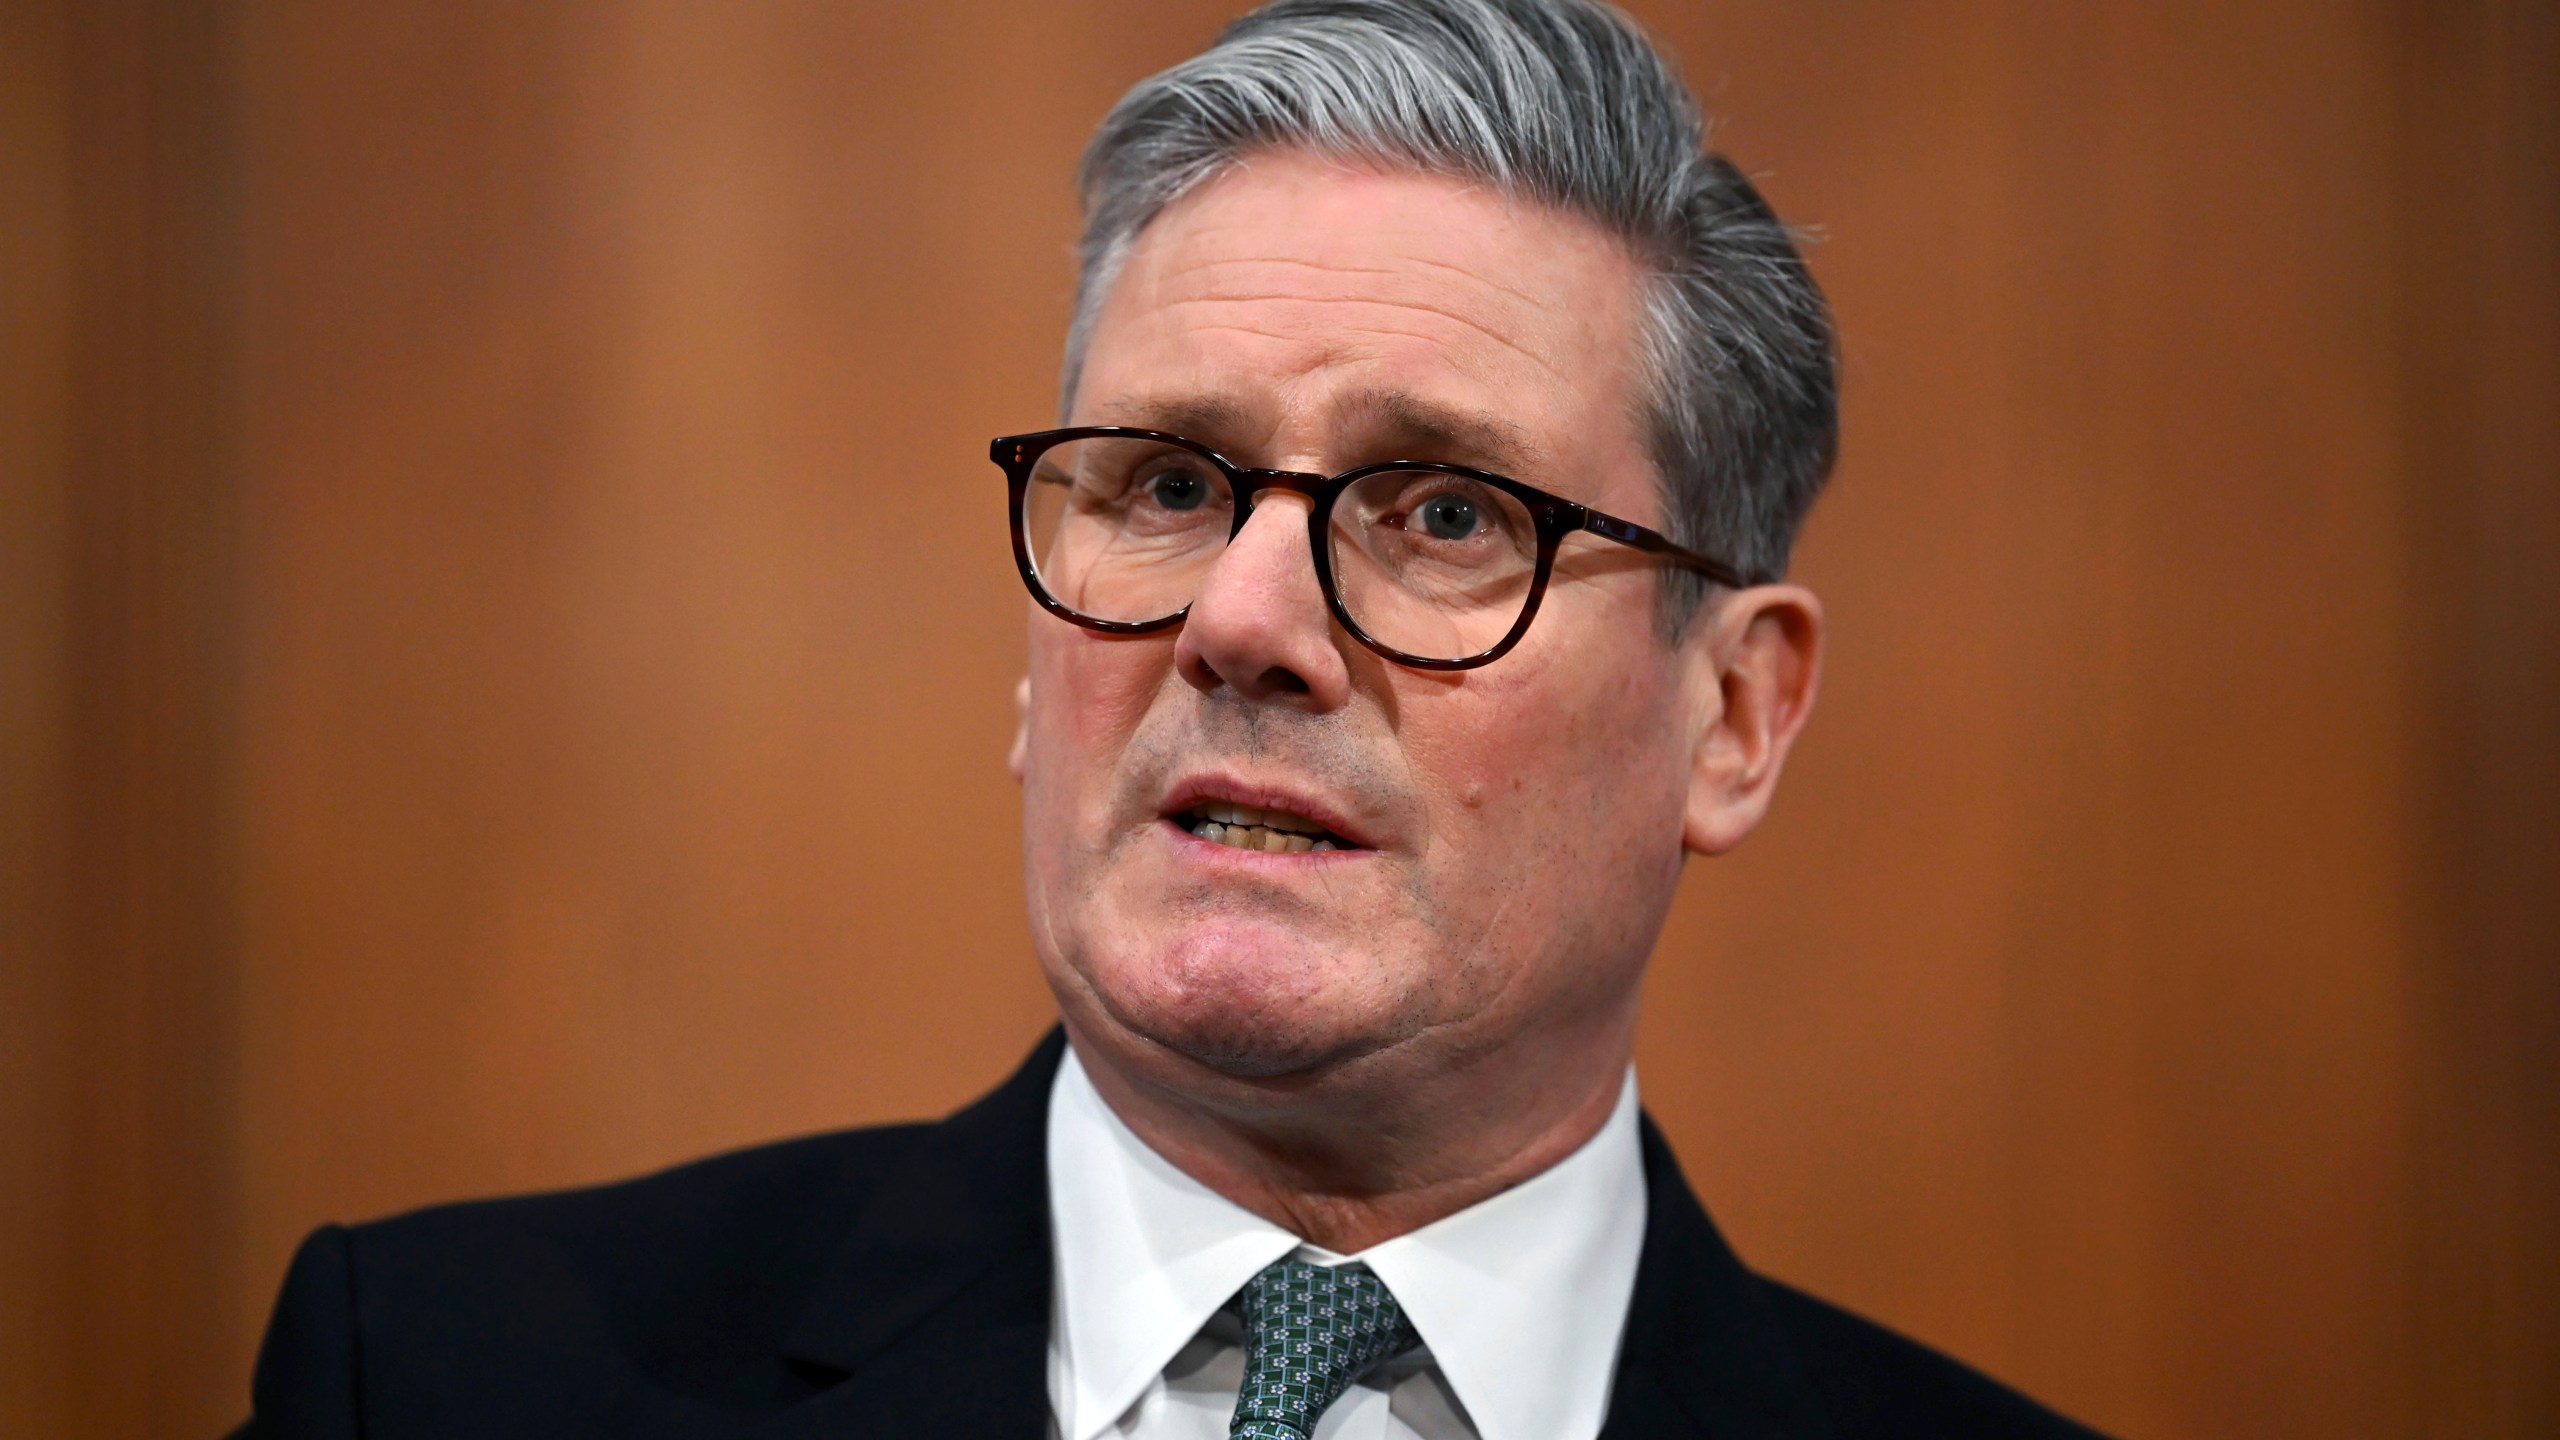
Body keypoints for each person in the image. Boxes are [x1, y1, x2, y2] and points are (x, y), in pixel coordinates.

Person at [236, 2, 2108, 1437]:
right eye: (1168, 488)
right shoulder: (439, 1383)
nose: (1241, 620)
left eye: (1448, 517)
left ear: (1734, 715)